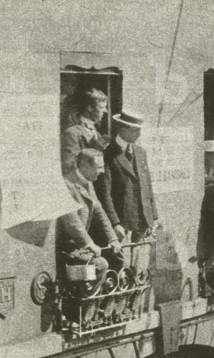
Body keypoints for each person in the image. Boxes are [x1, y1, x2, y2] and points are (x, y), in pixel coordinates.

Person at [57, 148, 122, 291]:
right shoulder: (66, 184)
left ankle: (94, 304)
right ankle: (80, 306)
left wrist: (112, 238)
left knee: (117, 260)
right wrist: (89, 243)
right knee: (100, 265)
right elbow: (71, 221)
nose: (102, 171)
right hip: (67, 248)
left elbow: (100, 212)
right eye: (98, 167)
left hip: (79, 247)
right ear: (85, 167)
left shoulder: (87, 182)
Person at [95, 109, 158, 240]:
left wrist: (153, 216)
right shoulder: (107, 153)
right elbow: (104, 193)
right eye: (134, 130)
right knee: (122, 260)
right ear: (121, 129)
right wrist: (114, 223)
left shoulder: (140, 152)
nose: (139, 134)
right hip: (122, 224)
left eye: (139, 130)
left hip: (143, 223)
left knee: (140, 260)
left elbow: (148, 186)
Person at [60, 85, 110, 173]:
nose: (105, 111)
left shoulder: (96, 132)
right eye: (101, 107)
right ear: (90, 108)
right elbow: (69, 166)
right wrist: (95, 149)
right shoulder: (72, 133)